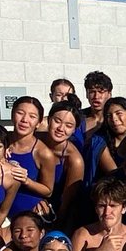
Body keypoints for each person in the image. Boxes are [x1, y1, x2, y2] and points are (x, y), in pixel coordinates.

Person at [36, 96, 86, 228]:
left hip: (52, 213)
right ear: (49, 120)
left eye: (68, 126)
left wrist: (56, 225)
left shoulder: (74, 160)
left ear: (74, 130)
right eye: (57, 121)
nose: (61, 128)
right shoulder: (34, 140)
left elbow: (67, 203)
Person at [5, 96, 58, 218]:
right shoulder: (0, 141)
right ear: (12, 115)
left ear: (39, 123)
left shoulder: (43, 153)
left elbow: (48, 191)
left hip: (27, 216)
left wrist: (26, 180)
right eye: (20, 113)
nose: (24, 120)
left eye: (32, 117)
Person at [75, 70, 113, 149]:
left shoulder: (115, 118)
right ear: (87, 94)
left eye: (101, 92)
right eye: (92, 92)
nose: (96, 96)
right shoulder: (77, 117)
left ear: (109, 94)